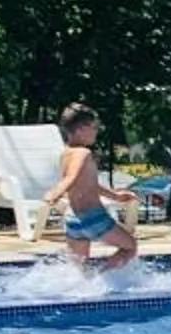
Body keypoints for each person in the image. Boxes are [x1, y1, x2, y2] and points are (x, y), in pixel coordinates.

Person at [43, 103, 137, 272]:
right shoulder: (83, 153)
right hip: (93, 217)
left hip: (73, 219)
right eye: (93, 127)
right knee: (130, 247)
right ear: (80, 129)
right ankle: (102, 277)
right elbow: (71, 178)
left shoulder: (65, 153)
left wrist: (115, 196)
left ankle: (87, 285)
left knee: (80, 270)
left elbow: (87, 183)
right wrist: (55, 192)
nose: (96, 131)